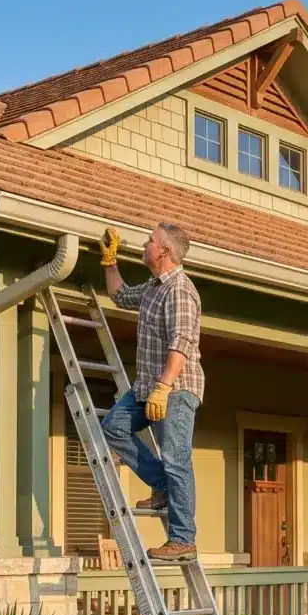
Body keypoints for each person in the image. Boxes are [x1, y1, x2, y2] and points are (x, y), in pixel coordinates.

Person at [99, 223, 203, 561]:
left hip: (175, 389)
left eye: (151, 241)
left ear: (165, 251)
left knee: (177, 461)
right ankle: (160, 486)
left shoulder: (180, 290)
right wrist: (109, 261)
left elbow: (181, 343)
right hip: (146, 389)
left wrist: (163, 388)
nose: (145, 244)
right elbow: (119, 295)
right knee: (113, 427)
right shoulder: (154, 287)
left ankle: (183, 539)